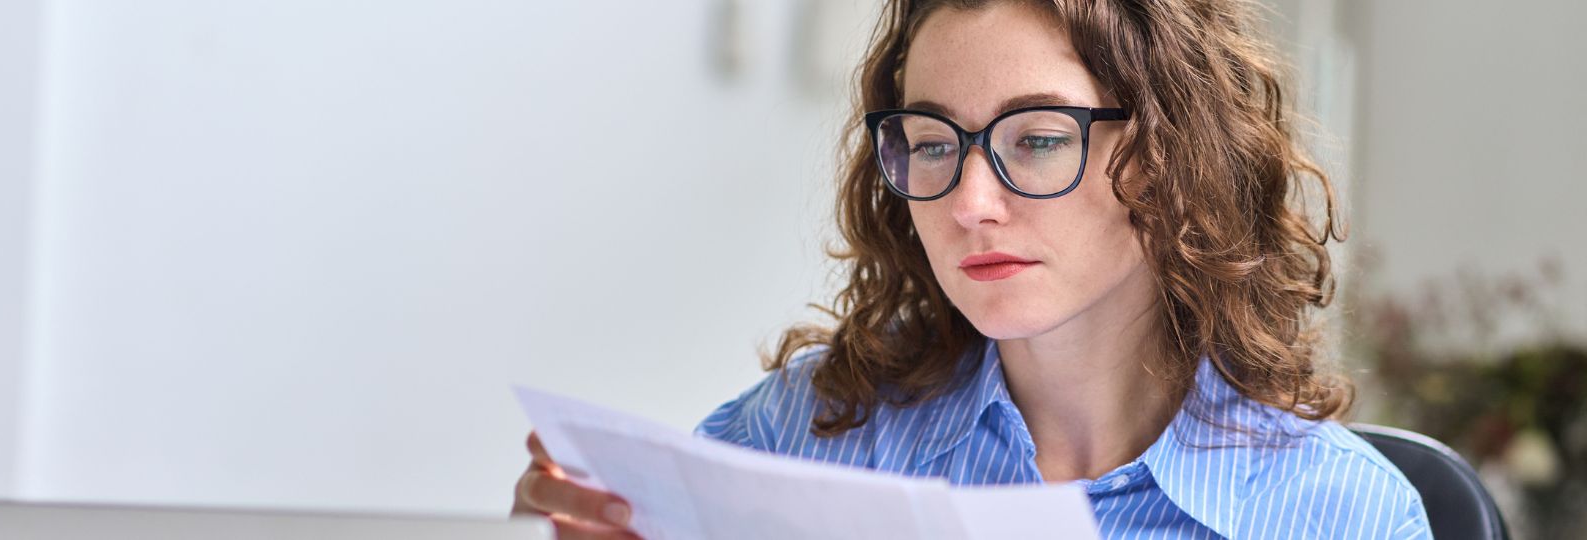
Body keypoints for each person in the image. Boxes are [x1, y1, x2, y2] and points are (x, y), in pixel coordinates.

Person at [514, 0, 1432, 538]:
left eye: (1035, 138)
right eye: (929, 142)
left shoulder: (1339, 513)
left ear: (1166, 156)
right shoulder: (811, 429)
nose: (968, 203)